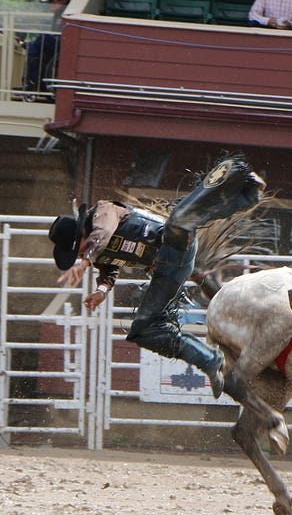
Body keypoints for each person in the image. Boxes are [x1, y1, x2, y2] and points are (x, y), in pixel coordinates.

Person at [50, 156, 265, 397]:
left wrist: (86, 260)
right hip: (167, 269)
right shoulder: (97, 253)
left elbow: (104, 231)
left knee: (179, 222)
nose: (78, 255)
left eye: (75, 249)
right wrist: (101, 291)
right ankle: (210, 361)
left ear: (81, 235)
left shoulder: (103, 211)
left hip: (173, 243)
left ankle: (245, 190)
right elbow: (110, 269)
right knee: (143, 331)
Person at [24, 0, 71, 92]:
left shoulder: (66, 13)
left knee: (42, 39)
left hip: (63, 44)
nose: (51, 4)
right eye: (50, 1)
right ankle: (34, 80)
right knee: (38, 49)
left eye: (54, 1)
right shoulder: (57, 15)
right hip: (57, 44)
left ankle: (29, 47)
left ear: (62, 0)